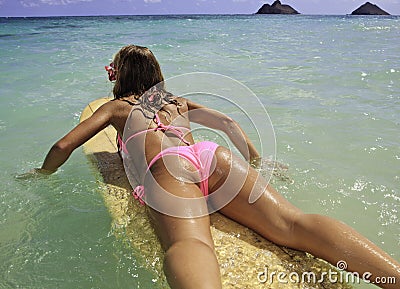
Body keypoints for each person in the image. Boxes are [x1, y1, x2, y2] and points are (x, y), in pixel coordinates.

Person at [28, 45, 399, 289]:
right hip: (212, 156)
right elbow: (228, 124)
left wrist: (42, 174)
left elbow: (64, 145)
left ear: (117, 75)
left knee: (190, 242)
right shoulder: (175, 100)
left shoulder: (116, 108)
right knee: (291, 223)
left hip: (168, 170)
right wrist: (256, 159)